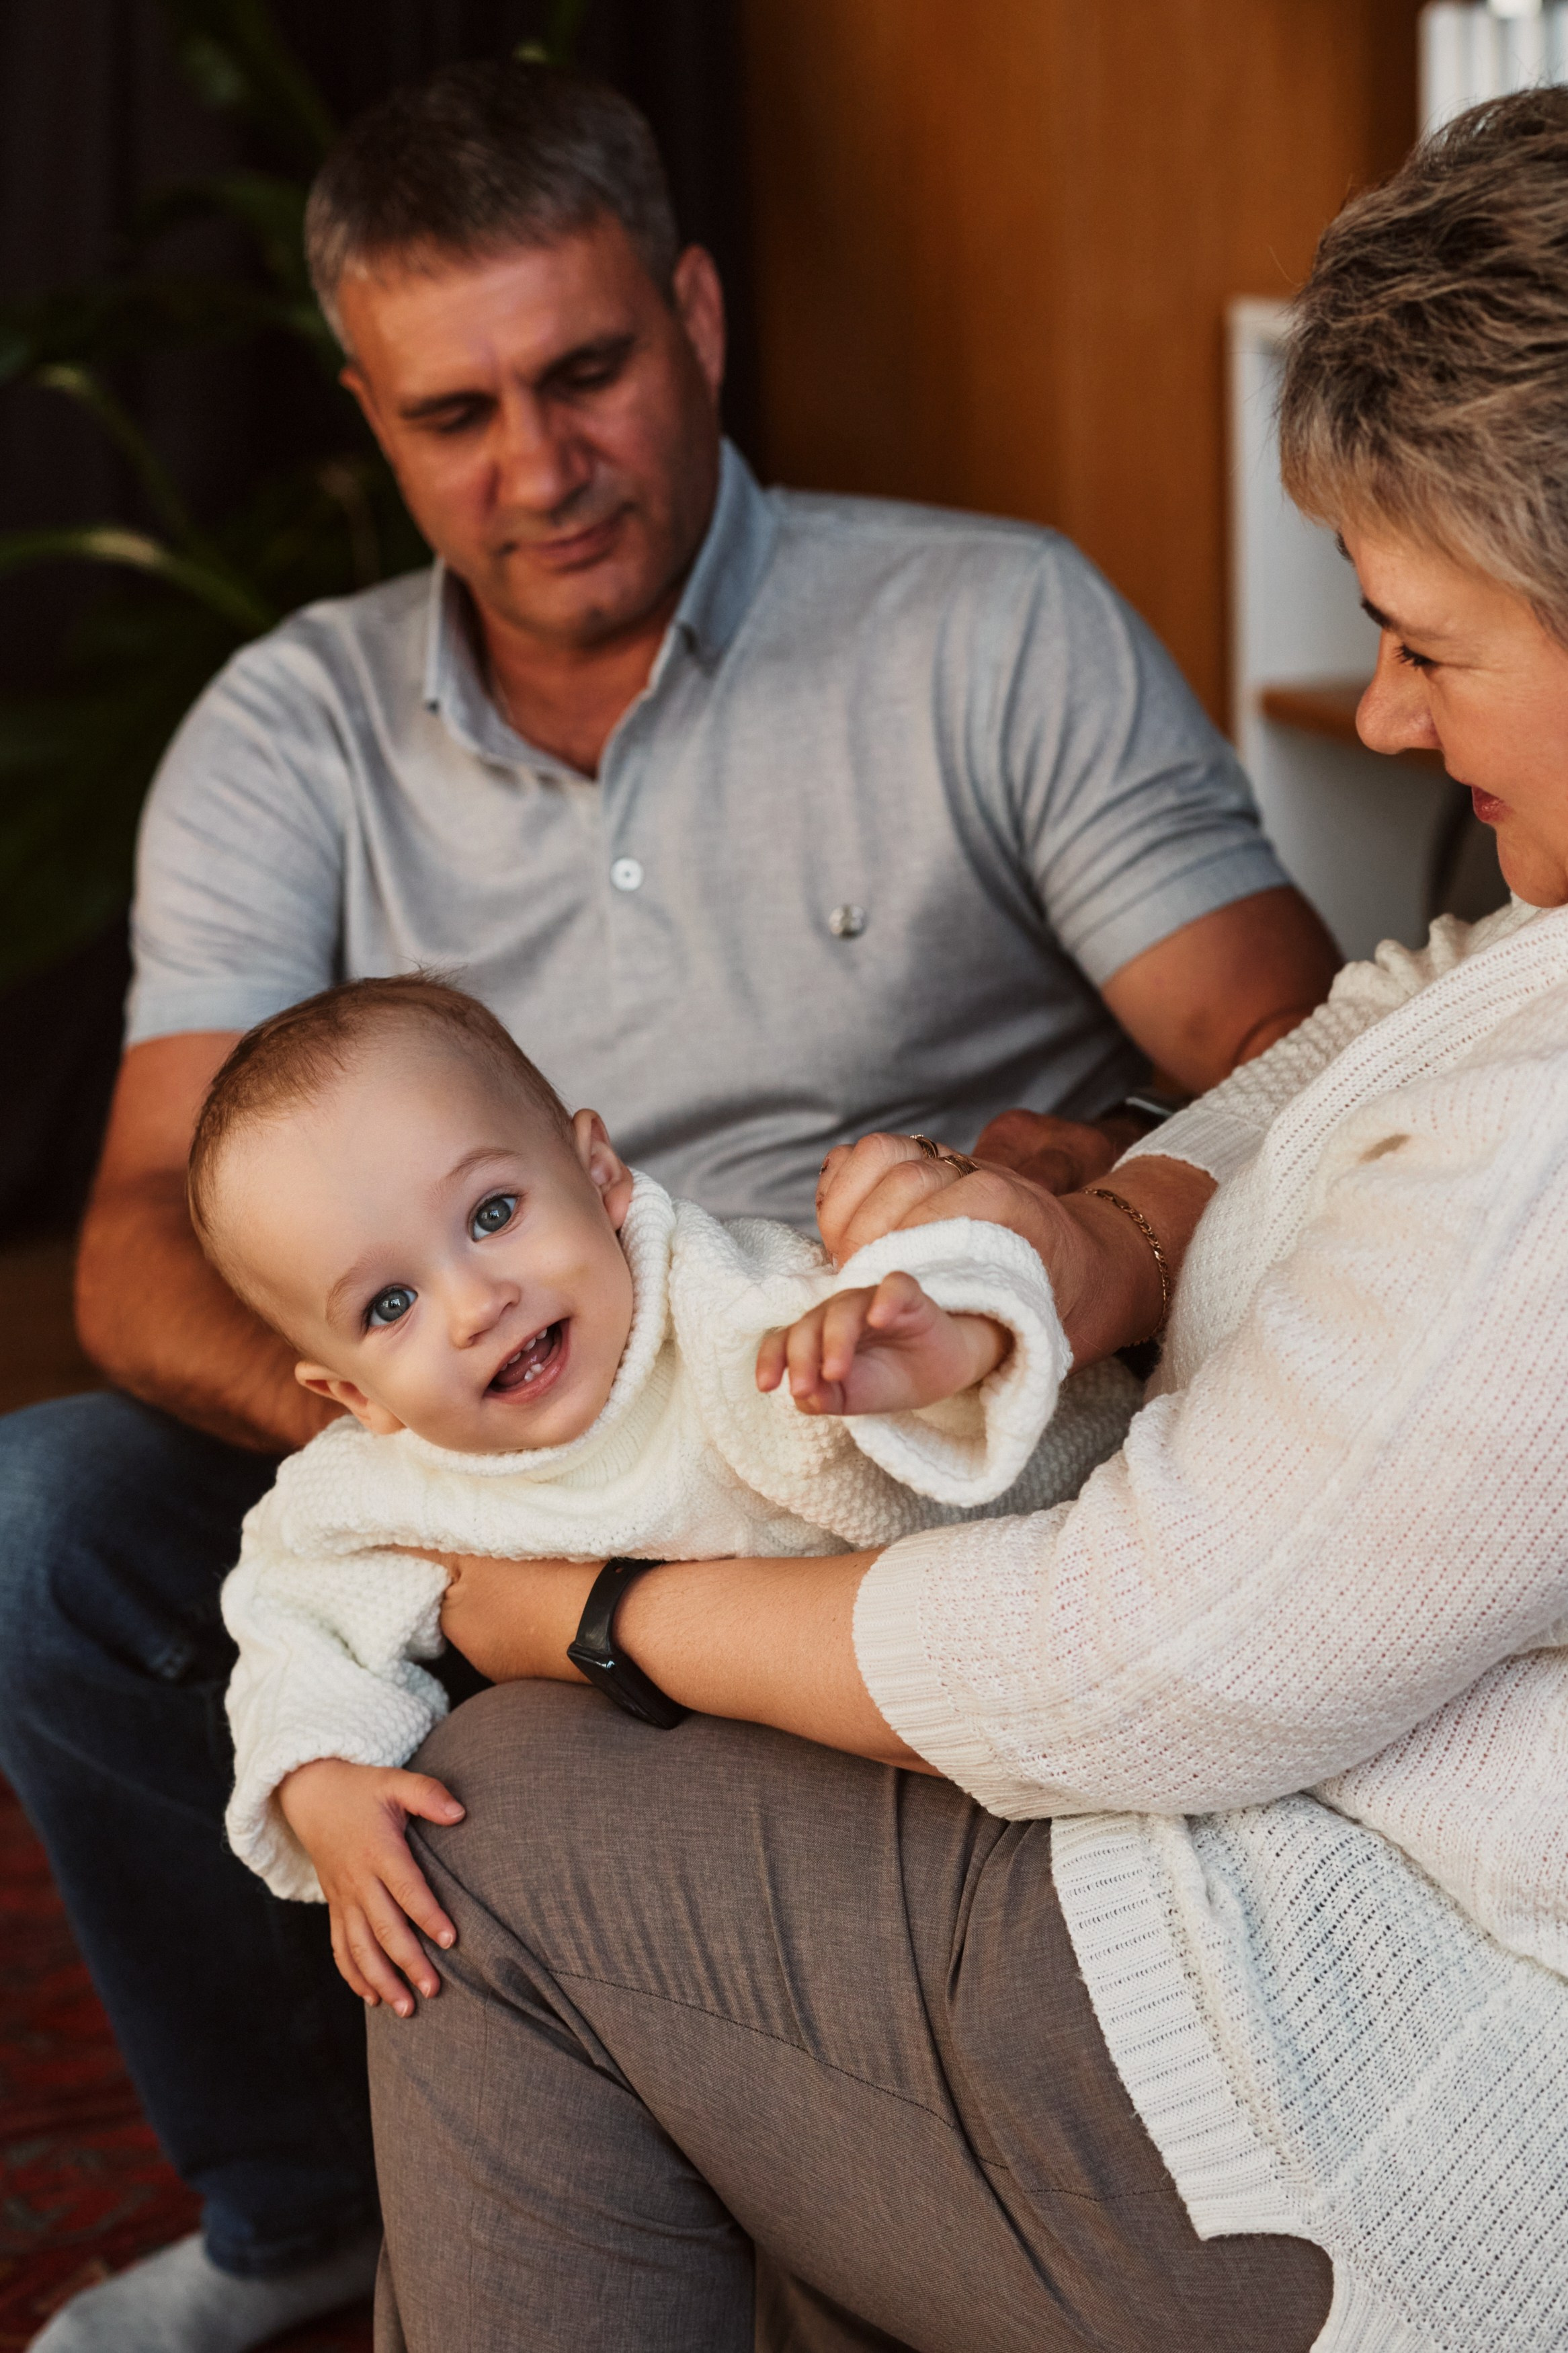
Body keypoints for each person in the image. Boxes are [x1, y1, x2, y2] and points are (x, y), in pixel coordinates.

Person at [3, 56, 1337, 2353]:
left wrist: (1062, 1201)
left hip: (862, 1408)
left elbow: (1287, 1061)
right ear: (365, 417)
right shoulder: (287, 731)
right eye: (454, 415)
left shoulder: (982, 625)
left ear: (698, 312)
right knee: (49, 1523)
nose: (538, 469)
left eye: (589, 370)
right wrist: (437, 1461)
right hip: (458, 1416)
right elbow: (136, 1226)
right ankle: (298, 2195)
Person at [360, 89, 1568, 2353]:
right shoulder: (1532, 967)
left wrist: (580, 1609)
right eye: (451, 409)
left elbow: (1122, 1660)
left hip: (1426, 2085)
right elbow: (1373, 1025)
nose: (1385, 717)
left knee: (495, 1812)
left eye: (1427, 642)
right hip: (1246, 1789)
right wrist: (1076, 1238)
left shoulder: (1538, 1171)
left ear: (695, 322)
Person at [191, 975, 1130, 1977]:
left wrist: (925, 1365)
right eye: (389, 1306)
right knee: (461, 1821)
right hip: (740, 1793)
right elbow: (291, 1622)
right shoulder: (383, 1491)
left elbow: (1034, 1434)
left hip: (977, 1698)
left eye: (494, 1212)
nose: (475, 1304)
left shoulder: (744, 1316)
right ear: (352, 1397)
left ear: (599, 1175)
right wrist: (320, 1779)